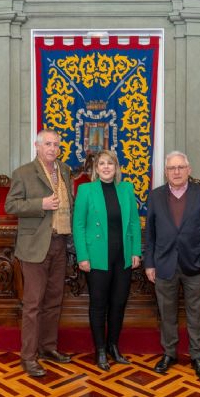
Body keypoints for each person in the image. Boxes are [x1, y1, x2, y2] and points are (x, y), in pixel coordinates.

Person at [144, 151, 200, 379]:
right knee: (167, 313)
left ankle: (197, 356)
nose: (176, 172)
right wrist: (149, 264)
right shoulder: (155, 196)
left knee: (196, 313)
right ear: (165, 172)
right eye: (171, 168)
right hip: (164, 264)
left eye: (180, 167)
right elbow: (150, 233)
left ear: (189, 170)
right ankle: (169, 353)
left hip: (196, 265)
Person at [4, 129, 73, 377]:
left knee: (54, 302)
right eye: (48, 144)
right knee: (33, 305)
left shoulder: (64, 171)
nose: (52, 149)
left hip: (59, 243)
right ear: (37, 146)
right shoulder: (23, 173)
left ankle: (48, 348)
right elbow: (10, 205)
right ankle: (28, 357)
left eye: (56, 144)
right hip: (34, 248)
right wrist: (39, 204)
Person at [73, 150, 142, 371]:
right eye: (101, 163)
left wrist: (135, 251)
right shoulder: (85, 190)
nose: (105, 167)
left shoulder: (126, 188)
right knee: (98, 305)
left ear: (116, 167)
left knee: (119, 303)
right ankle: (100, 350)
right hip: (96, 259)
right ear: (95, 168)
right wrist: (82, 256)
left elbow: (133, 223)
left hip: (122, 257)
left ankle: (113, 346)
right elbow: (79, 226)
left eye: (109, 163)